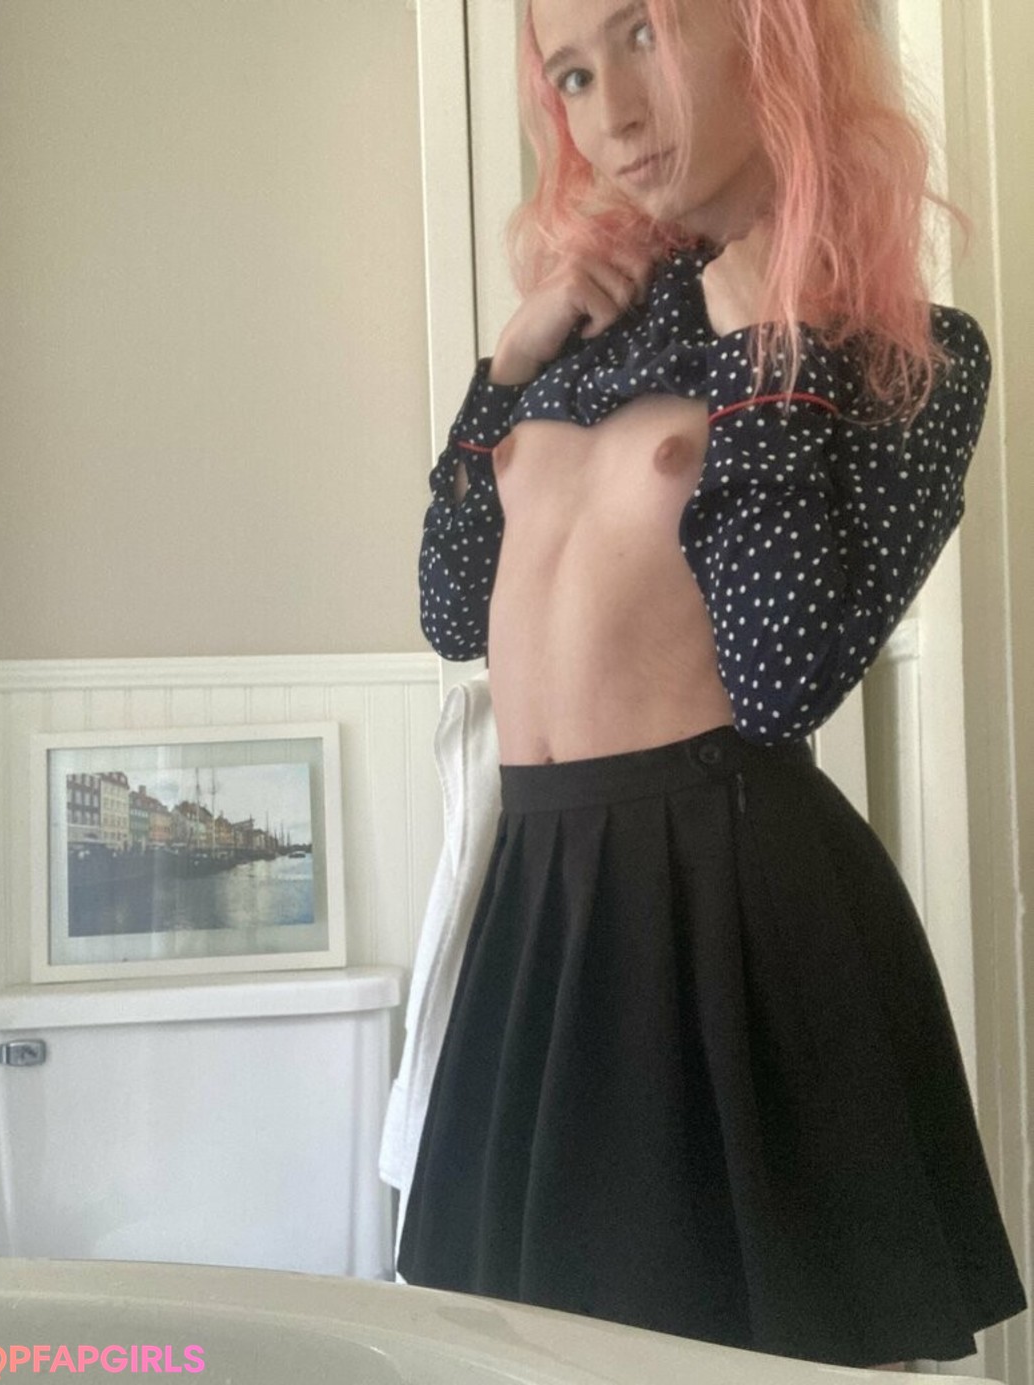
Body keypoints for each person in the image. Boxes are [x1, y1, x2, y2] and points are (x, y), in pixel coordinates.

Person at [396, 0, 1027, 1370]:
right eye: (572, 74)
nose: (612, 114)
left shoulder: (903, 354)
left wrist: (766, 370)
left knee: (748, 1349)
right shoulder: (578, 342)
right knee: (534, 1346)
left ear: (768, 39)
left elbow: (782, 678)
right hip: (540, 900)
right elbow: (451, 613)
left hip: (725, 910)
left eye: (643, 36)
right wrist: (504, 370)